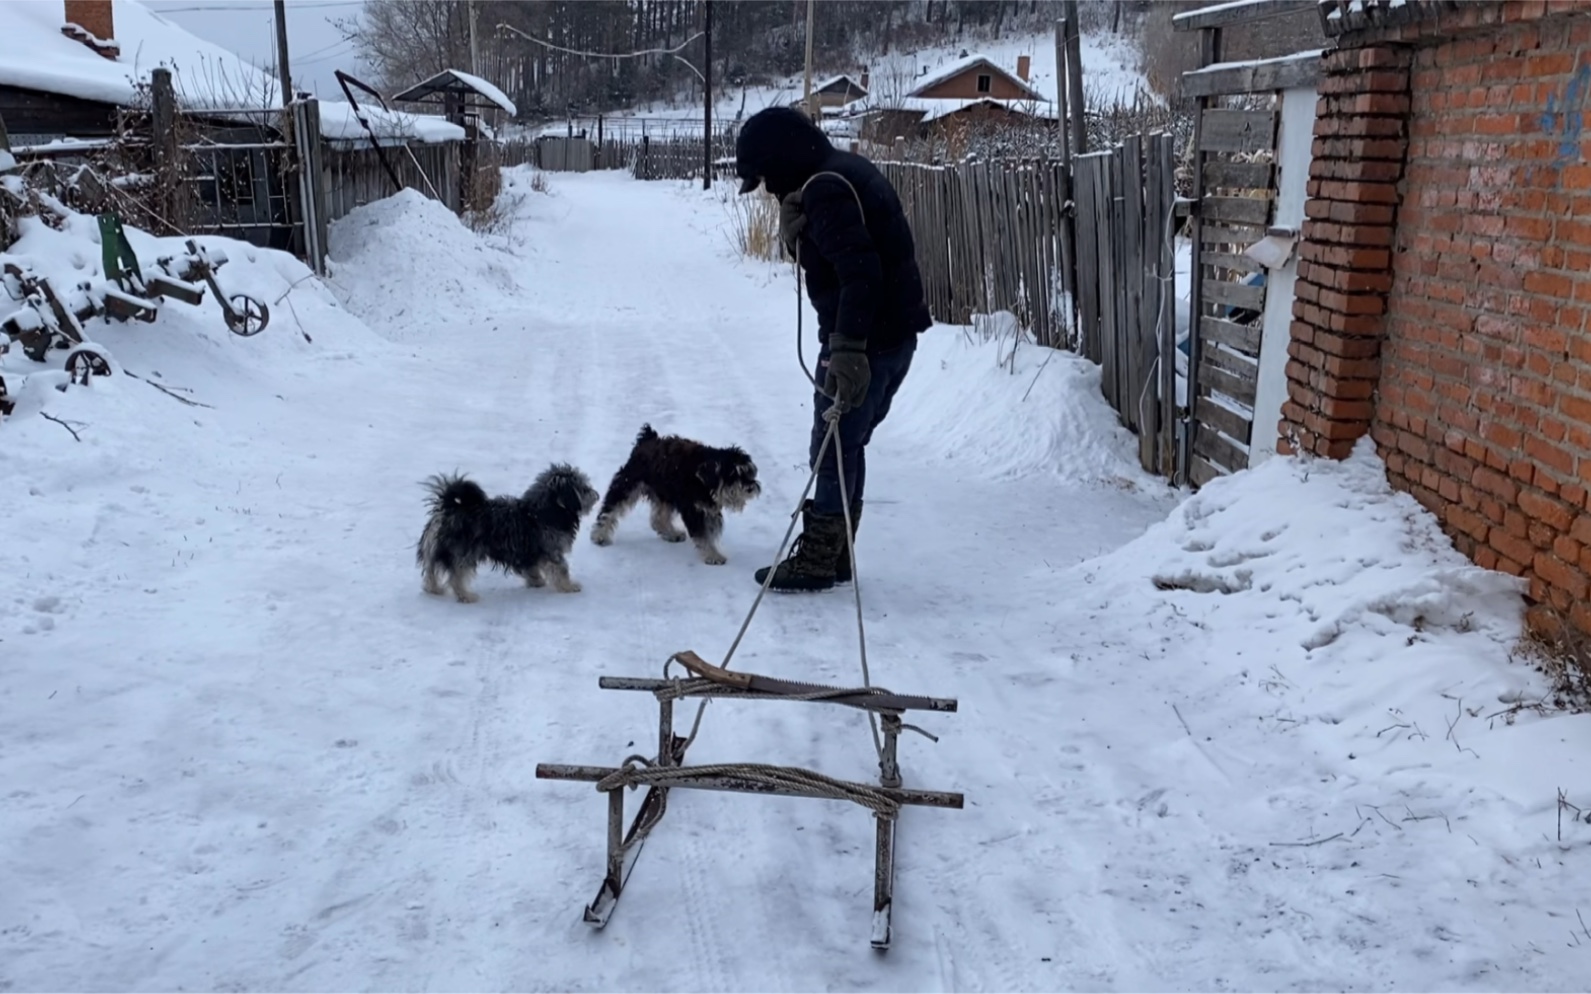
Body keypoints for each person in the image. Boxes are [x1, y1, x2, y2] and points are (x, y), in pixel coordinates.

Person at [733, 106, 932, 593]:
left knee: (832, 447)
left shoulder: (825, 188)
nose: (769, 190)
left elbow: (860, 274)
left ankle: (821, 559)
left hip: (864, 341)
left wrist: (846, 350)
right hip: (889, 337)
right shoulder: (843, 172)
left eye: (765, 178)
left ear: (781, 159)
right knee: (847, 446)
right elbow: (853, 257)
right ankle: (837, 553)